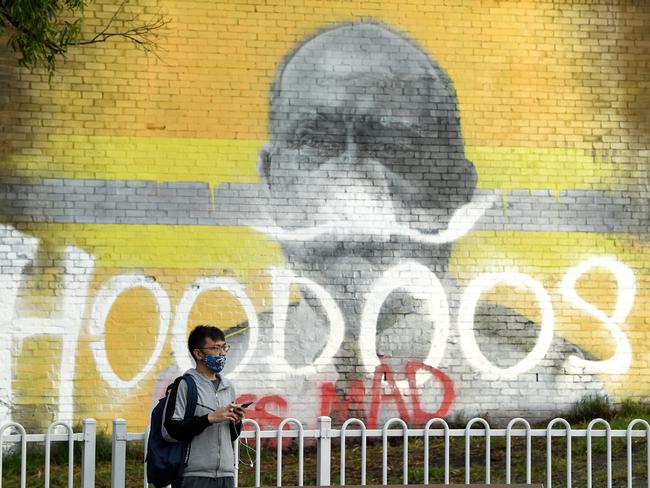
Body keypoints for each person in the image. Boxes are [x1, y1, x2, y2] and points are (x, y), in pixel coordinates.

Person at [230, 21, 604, 420]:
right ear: (270, 178)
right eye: (314, 141)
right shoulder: (224, 370)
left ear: (457, 187)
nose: (351, 182)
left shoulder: (552, 379)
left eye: (394, 145)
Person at [163, 325, 244, 488]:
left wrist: (236, 422)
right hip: (194, 475)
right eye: (215, 348)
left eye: (224, 347)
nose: (222, 353)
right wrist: (209, 418)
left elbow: (231, 437)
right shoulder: (185, 385)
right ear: (198, 353)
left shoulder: (228, 387)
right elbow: (171, 430)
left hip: (226, 474)